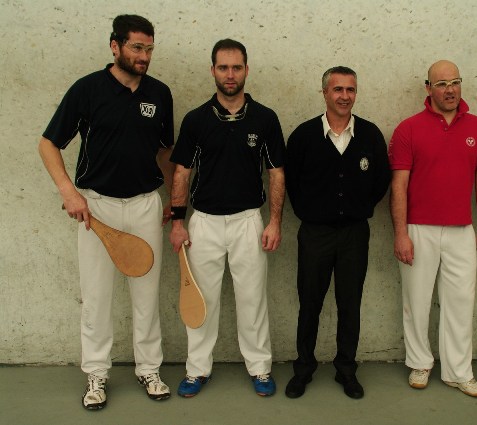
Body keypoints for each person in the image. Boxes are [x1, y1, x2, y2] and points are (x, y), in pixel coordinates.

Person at [38, 14, 174, 410]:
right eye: (136, 47)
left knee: (146, 295)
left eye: (149, 48)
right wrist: (69, 192)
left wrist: (171, 200)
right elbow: (48, 143)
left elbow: (164, 150)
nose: (144, 55)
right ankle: (96, 374)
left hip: (146, 205)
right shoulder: (87, 90)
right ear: (115, 47)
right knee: (96, 296)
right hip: (95, 209)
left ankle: (149, 369)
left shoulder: (160, 93)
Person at [169, 39, 285, 398]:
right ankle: (197, 370)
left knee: (252, 299)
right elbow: (181, 173)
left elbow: (277, 173)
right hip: (203, 222)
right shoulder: (196, 120)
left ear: (247, 70)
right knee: (202, 301)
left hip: (249, 221)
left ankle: (260, 367)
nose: (230, 74)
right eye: (223, 67)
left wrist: (274, 221)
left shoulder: (265, 118)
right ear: (213, 71)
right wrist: (177, 221)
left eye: (237, 67)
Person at [388, 60, 477, 398]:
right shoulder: (409, 129)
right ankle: (420, 362)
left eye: (455, 82)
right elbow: (399, 185)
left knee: (461, 303)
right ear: (428, 88)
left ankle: (459, 371)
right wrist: (401, 232)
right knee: (416, 301)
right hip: (419, 229)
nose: (449, 90)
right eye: (441, 83)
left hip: (463, 229)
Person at [284, 66, 390, 399]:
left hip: (354, 235)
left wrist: (358, 209)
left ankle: (346, 370)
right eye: (338, 89)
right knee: (310, 303)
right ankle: (303, 369)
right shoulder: (303, 136)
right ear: (325, 93)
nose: (344, 96)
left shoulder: (370, 135)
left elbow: (380, 182)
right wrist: (312, 214)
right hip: (315, 233)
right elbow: (292, 184)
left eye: (350, 90)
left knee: (350, 303)